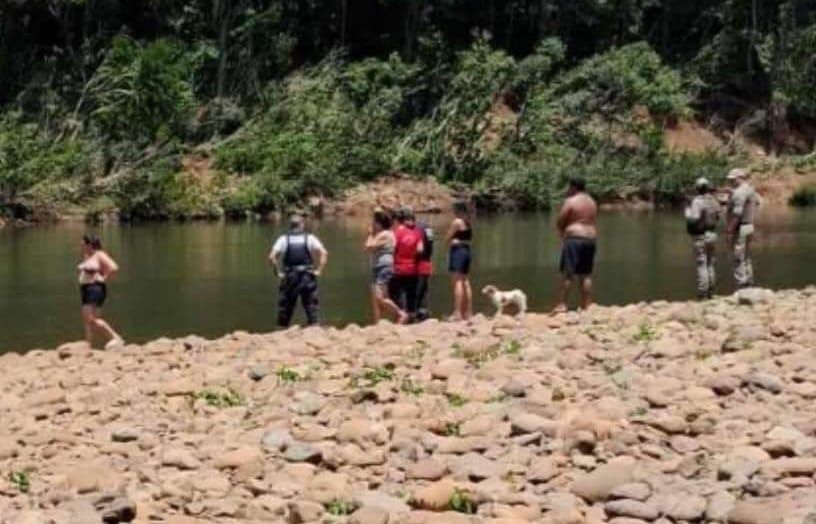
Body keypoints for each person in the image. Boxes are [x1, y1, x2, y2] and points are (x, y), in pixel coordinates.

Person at [269, 214, 328, 327]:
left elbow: (272, 257)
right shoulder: (310, 238)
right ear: (302, 225)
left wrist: (277, 272)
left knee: (286, 306)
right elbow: (324, 253)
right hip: (307, 275)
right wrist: (319, 270)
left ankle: (282, 329)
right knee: (311, 305)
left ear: (290, 226)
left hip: (290, 276)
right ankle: (314, 326)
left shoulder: (283, 239)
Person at [553, 177, 598, 312]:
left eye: (569, 187)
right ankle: (587, 305)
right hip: (590, 238)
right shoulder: (592, 201)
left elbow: (561, 219)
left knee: (568, 273)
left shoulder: (571, 201)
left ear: (573, 187)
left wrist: (562, 232)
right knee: (586, 274)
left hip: (575, 238)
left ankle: (561, 304)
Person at [78, 234, 124, 349]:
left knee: (90, 319)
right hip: (87, 289)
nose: (81, 245)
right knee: (90, 320)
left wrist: (104, 277)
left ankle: (115, 337)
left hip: (94, 288)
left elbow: (113, 267)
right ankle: (88, 345)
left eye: (83, 243)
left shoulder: (99, 254)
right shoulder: (87, 256)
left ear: (90, 244)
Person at [365, 210, 408, 324]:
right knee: (376, 297)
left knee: (379, 297)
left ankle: (400, 314)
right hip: (378, 267)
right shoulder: (384, 234)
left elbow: (369, 247)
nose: (372, 224)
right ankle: (378, 322)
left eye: (374, 222)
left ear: (379, 223)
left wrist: (370, 234)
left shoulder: (385, 234)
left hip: (383, 267)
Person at [685, 177, 721, 299]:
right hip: (712, 234)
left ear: (698, 188)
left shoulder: (697, 201)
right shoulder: (714, 200)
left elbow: (694, 218)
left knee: (702, 264)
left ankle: (702, 293)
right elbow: (718, 216)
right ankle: (711, 292)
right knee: (710, 264)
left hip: (701, 236)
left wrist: (687, 213)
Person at [726, 168, 760, 289]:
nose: (730, 182)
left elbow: (737, 214)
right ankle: (749, 281)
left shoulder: (739, 192)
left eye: (732, 179)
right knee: (746, 257)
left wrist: (729, 230)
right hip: (750, 226)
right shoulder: (751, 190)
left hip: (740, 227)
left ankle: (741, 284)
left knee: (738, 256)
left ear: (740, 178)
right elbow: (757, 203)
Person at [389, 208, 424, 321]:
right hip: (412, 269)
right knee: (411, 296)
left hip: (398, 268)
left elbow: (392, 248)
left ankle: (400, 316)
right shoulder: (417, 232)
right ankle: (410, 317)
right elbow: (420, 250)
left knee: (395, 295)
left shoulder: (397, 232)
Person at [447, 201, 473, 321]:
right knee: (466, 281)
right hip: (467, 251)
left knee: (457, 281)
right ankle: (468, 312)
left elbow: (448, 236)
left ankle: (457, 312)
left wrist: (447, 242)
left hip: (458, 251)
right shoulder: (468, 222)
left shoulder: (457, 222)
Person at [415, 218, 435, 321]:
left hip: (420, 264)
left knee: (418, 292)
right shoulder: (428, 228)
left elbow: (419, 249)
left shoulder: (419, 228)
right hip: (427, 263)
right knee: (424, 291)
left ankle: (419, 314)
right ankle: (425, 314)